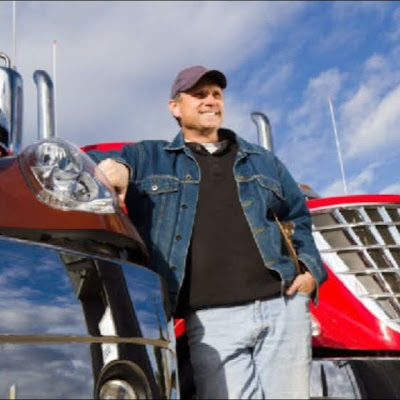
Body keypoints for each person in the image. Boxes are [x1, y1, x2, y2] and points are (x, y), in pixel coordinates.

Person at [87, 65, 328, 399]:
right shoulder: (149, 157)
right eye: (199, 94)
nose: (211, 101)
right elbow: (86, 161)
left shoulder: (263, 161)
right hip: (212, 323)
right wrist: (118, 169)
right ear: (175, 107)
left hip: (282, 308)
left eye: (216, 94)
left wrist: (311, 272)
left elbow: (298, 216)